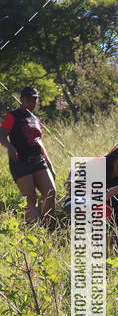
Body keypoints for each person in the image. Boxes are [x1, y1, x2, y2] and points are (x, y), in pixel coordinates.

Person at [0, 86, 56, 224]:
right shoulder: (12, 116)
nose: (32, 103)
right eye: (29, 100)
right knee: (31, 198)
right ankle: (36, 231)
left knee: (51, 192)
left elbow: (39, 142)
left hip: (38, 160)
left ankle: (48, 226)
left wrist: (49, 163)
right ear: (22, 100)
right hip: (21, 162)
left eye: (35, 101)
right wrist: (11, 148)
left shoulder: (36, 119)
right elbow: (1, 135)